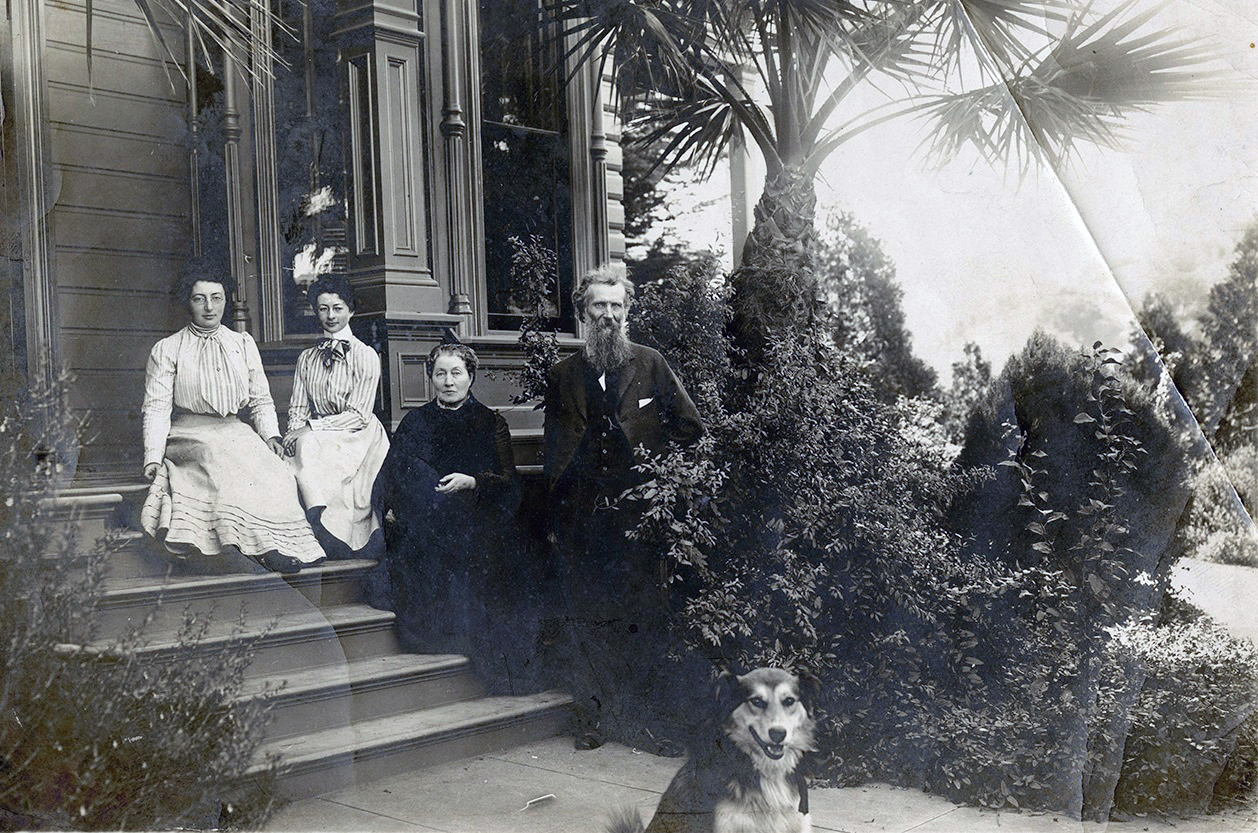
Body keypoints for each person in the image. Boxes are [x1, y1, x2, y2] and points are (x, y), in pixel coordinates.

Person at [543, 262, 703, 749]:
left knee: (642, 615)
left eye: (616, 305)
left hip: (638, 517)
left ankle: (645, 721)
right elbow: (555, 449)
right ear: (583, 313)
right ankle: (593, 720)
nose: (608, 314)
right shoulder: (563, 375)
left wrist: (659, 478)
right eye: (599, 306)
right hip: (584, 517)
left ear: (627, 310)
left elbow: (691, 429)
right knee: (589, 617)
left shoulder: (651, 363)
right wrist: (557, 513)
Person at [140, 267, 324, 573]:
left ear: (226, 300)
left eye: (217, 298)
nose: (209, 307)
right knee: (219, 459)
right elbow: (157, 407)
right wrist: (152, 456)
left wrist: (271, 438)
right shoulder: (168, 349)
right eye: (200, 299)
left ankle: (276, 545)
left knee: (272, 468)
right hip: (191, 432)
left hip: (234, 429)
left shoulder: (242, 344)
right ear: (189, 302)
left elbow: (261, 400)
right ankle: (256, 549)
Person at [374, 342, 522, 676]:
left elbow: (508, 481)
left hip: (474, 515)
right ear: (431, 378)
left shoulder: (490, 423)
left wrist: (472, 481)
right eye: (440, 373)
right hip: (426, 518)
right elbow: (394, 473)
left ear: (471, 376)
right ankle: (431, 636)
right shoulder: (416, 422)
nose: (448, 381)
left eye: (456, 373)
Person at [283, 276, 389, 560]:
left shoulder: (365, 355)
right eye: (323, 309)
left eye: (338, 308)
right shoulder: (307, 358)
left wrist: (309, 429)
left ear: (351, 311)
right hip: (317, 434)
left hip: (357, 434)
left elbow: (358, 414)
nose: (330, 316)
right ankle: (307, 534)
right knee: (293, 453)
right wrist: (294, 433)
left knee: (309, 448)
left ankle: (328, 532)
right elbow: (298, 408)